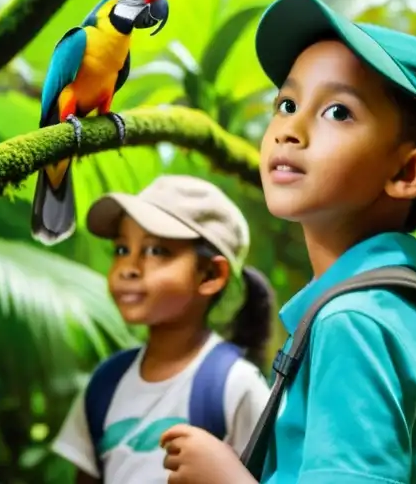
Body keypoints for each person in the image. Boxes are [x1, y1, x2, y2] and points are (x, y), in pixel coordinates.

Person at [160, 0, 416, 484]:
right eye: (286, 104)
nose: (290, 129)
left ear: (408, 171)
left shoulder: (354, 322)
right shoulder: (403, 312)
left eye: (337, 112)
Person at [50, 174, 274, 484]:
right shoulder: (105, 384)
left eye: (156, 251)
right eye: (121, 249)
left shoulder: (234, 385)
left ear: (210, 275)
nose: (128, 267)